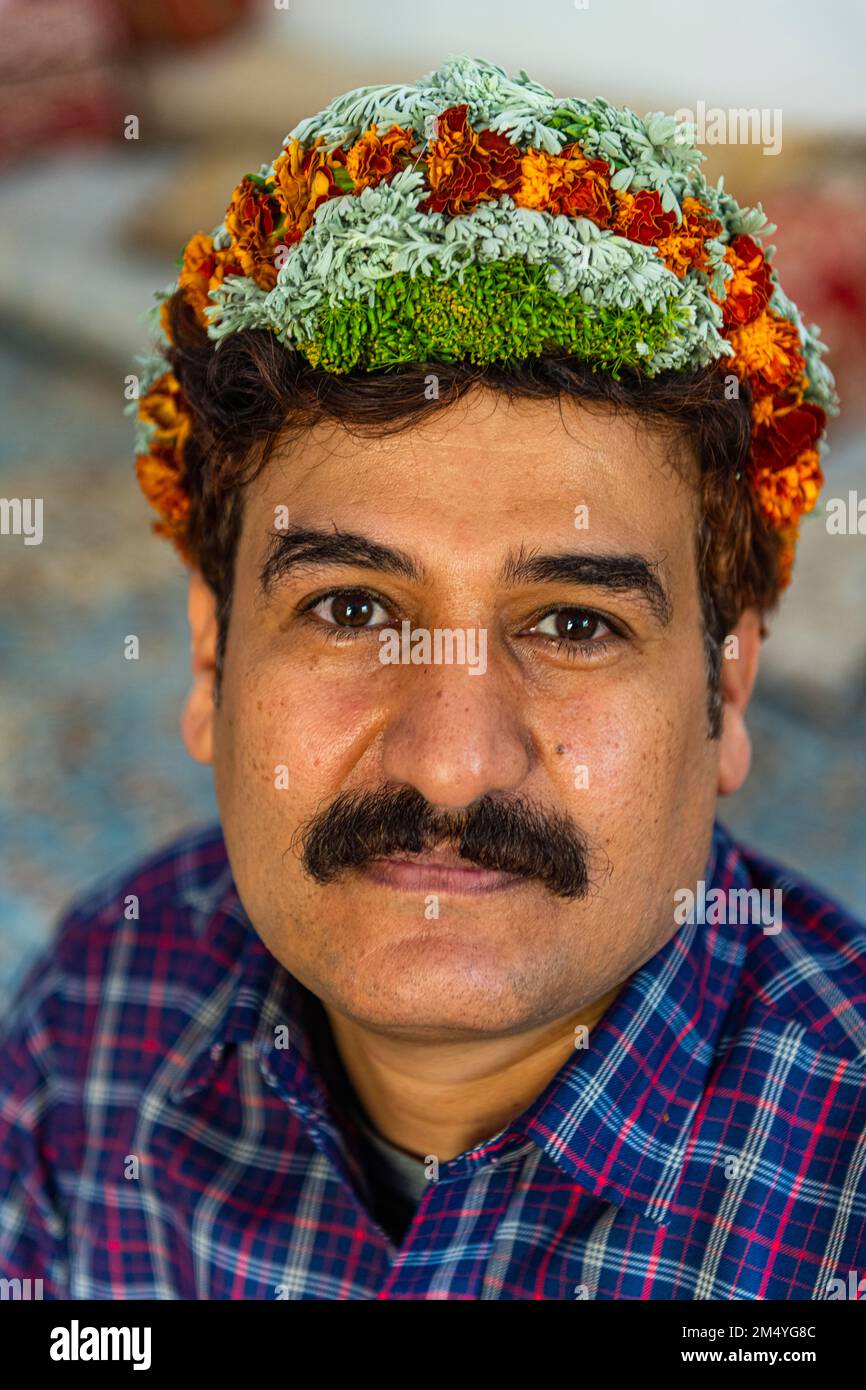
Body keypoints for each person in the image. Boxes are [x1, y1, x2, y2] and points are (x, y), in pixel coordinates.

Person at [1, 54, 863, 1301]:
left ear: (725, 694)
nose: (452, 759)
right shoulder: (96, 1015)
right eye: (351, 607)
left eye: (572, 625)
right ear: (210, 658)